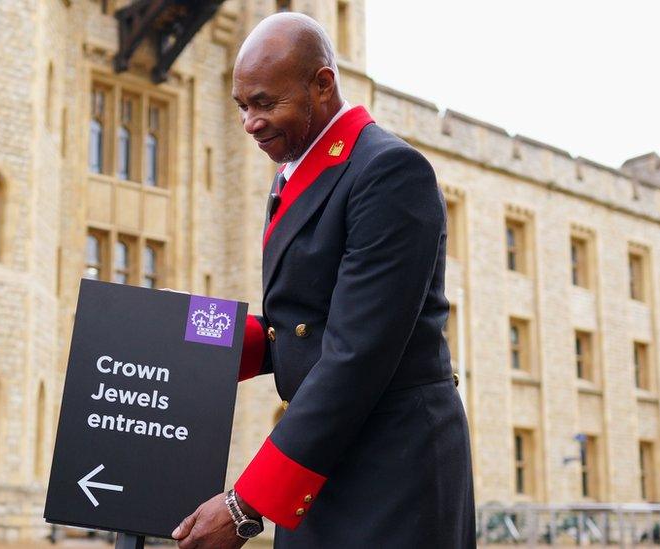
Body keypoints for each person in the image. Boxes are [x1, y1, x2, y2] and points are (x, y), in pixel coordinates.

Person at [172, 12, 475, 549]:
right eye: (243, 107)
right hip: (324, 462)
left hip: (392, 468)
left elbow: (355, 354)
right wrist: (178, 331)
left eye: (266, 103)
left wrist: (245, 505)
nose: (250, 123)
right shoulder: (293, 172)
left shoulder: (389, 172)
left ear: (322, 83)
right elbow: (299, 325)